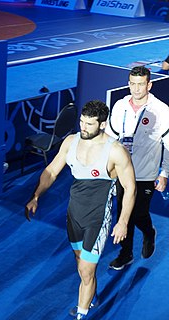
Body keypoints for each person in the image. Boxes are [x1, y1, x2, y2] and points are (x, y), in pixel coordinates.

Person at [25, 100, 136, 320]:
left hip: (97, 218)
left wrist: (122, 221)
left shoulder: (116, 151)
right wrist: (35, 196)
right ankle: (91, 292)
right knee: (80, 262)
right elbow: (51, 171)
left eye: (89, 124)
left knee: (86, 270)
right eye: (82, 122)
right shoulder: (71, 142)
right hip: (73, 214)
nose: (83, 127)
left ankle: (82, 314)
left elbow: (130, 188)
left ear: (103, 125)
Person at [106, 66, 169, 271]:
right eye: (132, 83)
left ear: (149, 85)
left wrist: (164, 173)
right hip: (122, 171)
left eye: (140, 84)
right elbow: (110, 138)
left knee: (137, 212)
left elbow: (168, 145)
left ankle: (149, 231)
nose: (135, 89)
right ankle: (125, 254)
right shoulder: (119, 106)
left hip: (146, 173)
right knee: (124, 212)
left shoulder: (161, 110)